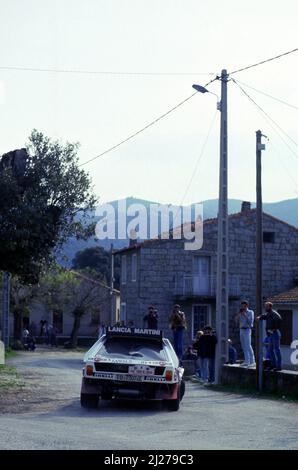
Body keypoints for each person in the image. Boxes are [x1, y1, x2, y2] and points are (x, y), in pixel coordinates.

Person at [258, 302, 282, 371]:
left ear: (270, 307)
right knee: (270, 350)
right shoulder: (268, 314)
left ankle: (278, 366)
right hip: (271, 334)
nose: (265, 308)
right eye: (265, 306)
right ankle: (273, 365)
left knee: (277, 350)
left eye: (266, 306)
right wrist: (259, 317)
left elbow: (279, 320)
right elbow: (264, 316)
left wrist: (275, 328)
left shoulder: (274, 313)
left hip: (275, 333)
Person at [235, 300, 255, 367]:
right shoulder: (241, 312)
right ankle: (247, 361)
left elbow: (250, 322)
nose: (242, 307)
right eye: (242, 305)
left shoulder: (250, 312)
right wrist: (238, 314)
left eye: (244, 305)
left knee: (248, 345)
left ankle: (252, 361)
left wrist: (244, 315)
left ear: (247, 306)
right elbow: (236, 320)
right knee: (243, 346)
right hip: (241, 330)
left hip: (247, 329)